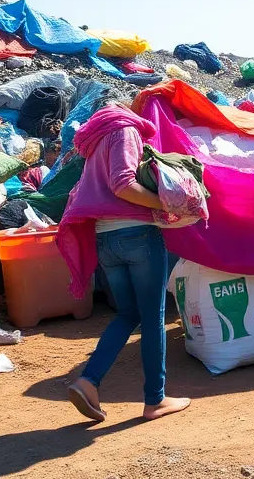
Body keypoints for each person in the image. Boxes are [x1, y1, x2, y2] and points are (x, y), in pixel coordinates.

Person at [65, 102, 190, 424]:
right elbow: (123, 184)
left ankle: (88, 381)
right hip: (136, 236)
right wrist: (165, 205)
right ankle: (155, 400)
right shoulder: (125, 130)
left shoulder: (93, 142)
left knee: (128, 314)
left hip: (105, 239)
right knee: (152, 318)